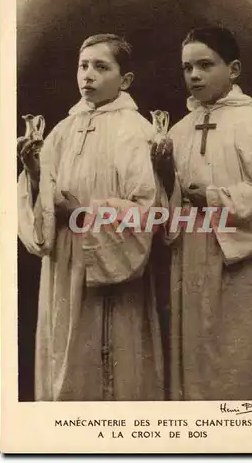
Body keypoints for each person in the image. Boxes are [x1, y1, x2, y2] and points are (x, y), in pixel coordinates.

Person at [17, 33, 164, 401]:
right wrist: (34, 173)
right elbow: (40, 215)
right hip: (66, 266)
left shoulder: (136, 131)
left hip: (113, 265)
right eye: (83, 66)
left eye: (101, 67)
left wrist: (82, 212)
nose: (89, 75)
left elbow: (148, 212)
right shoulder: (61, 132)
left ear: (125, 79)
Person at [152, 25, 252, 400]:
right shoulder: (178, 131)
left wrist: (214, 198)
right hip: (193, 260)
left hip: (240, 262)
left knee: (241, 358)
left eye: (205, 65)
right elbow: (169, 210)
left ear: (233, 70)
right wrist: (168, 181)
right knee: (197, 360)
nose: (194, 75)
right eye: (186, 68)